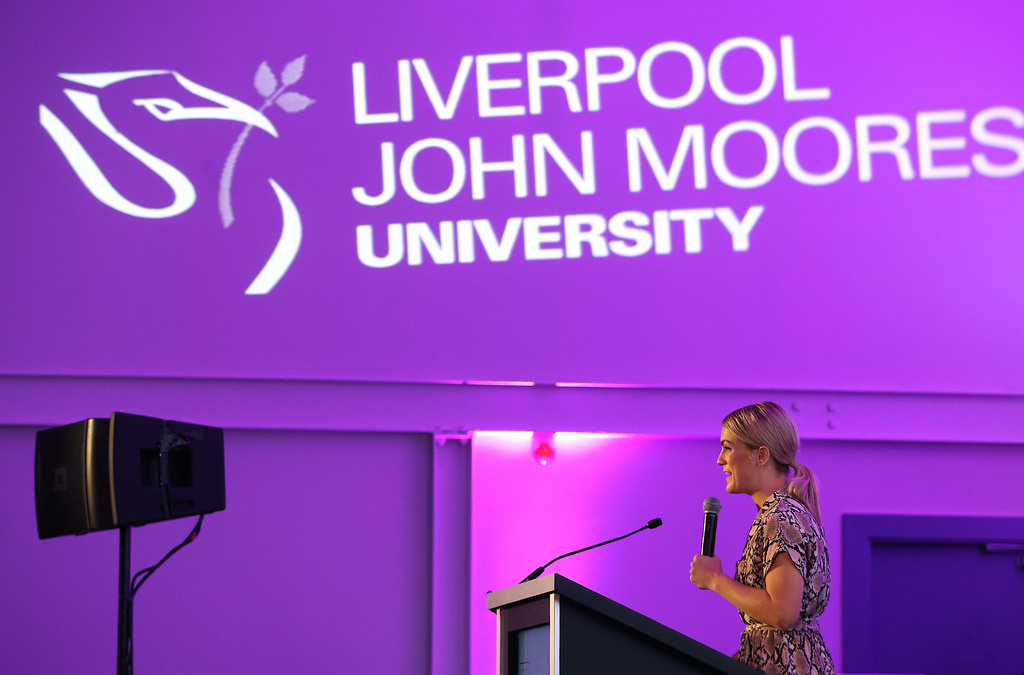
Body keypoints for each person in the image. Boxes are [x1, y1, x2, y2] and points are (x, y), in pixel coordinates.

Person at [689, 401, 834, 675]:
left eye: (728, 447)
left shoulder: (781, 516)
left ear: (761, 455)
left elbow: (781, 613)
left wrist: (714, 580)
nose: (720, 459)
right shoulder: (781, 512)